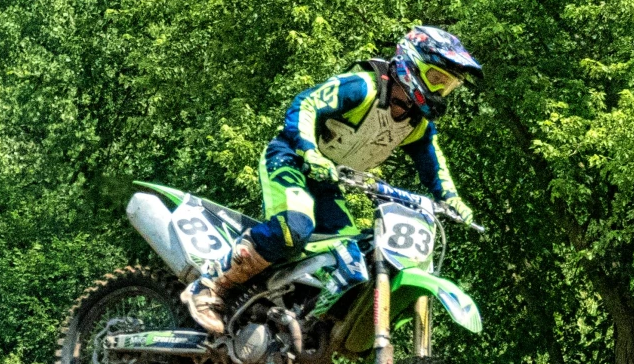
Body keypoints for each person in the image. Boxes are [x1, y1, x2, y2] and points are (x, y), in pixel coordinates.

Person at [184, 25, 484, 334]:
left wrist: (451, 199)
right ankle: (211, 285)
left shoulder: (416, 124)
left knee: (349, 256)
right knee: (294, 228)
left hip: (328, 178)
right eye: (436, 79)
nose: (439, 91)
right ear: (411, 64)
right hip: (292, 159)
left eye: (447, 86)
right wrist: (310, 151)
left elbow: (435, 166)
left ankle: (288, 318)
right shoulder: (363, 87)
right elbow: (307, 103)